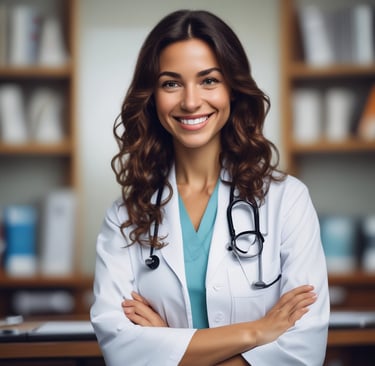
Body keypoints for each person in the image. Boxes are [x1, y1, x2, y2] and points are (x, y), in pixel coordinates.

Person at [90, 9, 329, 366]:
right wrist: (257, 331)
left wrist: (165, 345)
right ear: (152, 96)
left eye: (209, 80)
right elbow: (122, 351)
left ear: (233, 89)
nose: (190, 101)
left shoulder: (286, 200)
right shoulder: (125, 217)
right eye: (171, 83)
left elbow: (303, 349)